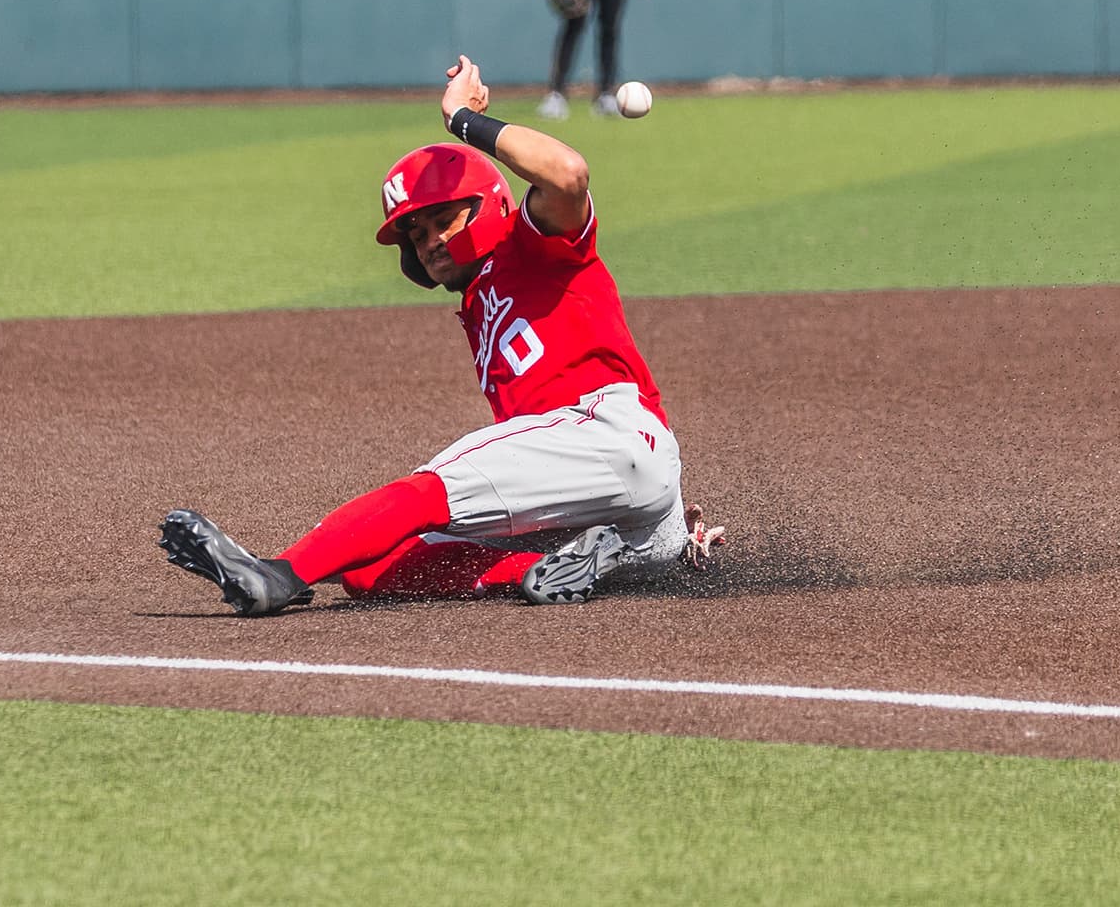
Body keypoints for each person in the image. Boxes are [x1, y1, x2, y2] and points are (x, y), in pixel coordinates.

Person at [160, 55, 722, 615]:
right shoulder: (478, 304)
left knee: (427, 492)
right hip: (630, 520)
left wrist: (462, 120)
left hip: (609, 434)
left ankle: (277, 575)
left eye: (442, 221)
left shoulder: (535, 248)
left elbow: (567, 173)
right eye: (417, 233)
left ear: (487, 204)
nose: (429, 242)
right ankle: (557, 566)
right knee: (367, 572)